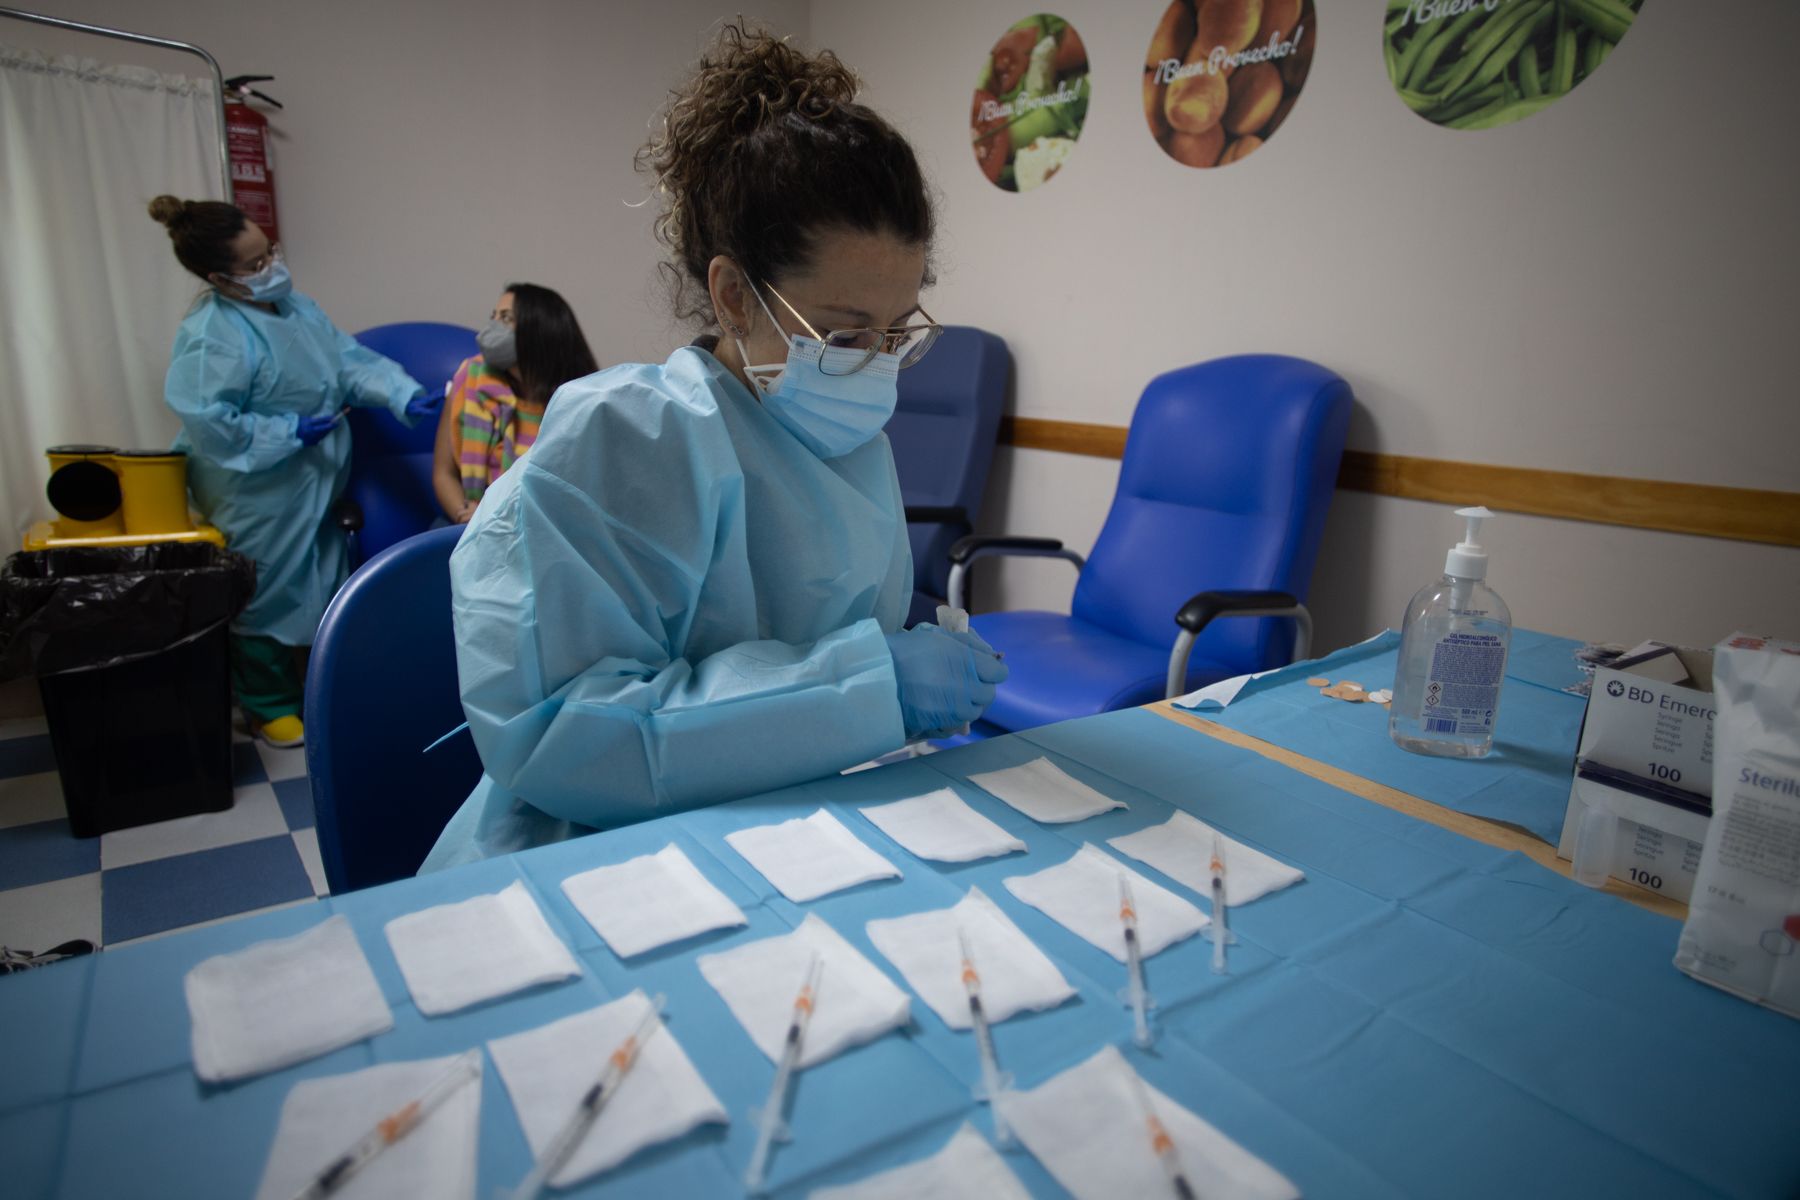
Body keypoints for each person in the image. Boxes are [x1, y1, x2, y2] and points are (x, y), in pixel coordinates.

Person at [421, 23, 1007, 869]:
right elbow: (566, 738)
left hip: (788, 827)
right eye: (846, 335)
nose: (878, 366)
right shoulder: (623, 441)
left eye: (898, 332)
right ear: (733, 296)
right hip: (591, 856)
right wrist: (871, 684)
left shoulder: (841, 438)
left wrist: (906, 655)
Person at [149, 196, 438, 748]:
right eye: (255, 264)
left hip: (311, 479)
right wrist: (286, 432)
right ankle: (266, 704)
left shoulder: (296, 308)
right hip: (251, 484)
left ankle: (308, 688)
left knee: (315, 580)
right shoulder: (213, 334)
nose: (273, 268)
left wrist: (404, 394)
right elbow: (208, 420)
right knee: (263, 589)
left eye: (271, 252)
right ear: (220, 278)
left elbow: (349, 362)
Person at [432, 283, 599, 524]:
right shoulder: (471, 379)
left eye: (506, 318)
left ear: (540, 330)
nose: (492, 327)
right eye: (493, 317)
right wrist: (468, 520)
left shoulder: (577, 405)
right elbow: (443, 474)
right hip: (467, 526)